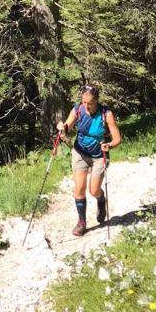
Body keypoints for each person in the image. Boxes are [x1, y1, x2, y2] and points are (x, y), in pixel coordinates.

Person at [57, 83, 121, 237]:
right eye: (84, 102)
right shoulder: (78, 109)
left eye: (90, 103)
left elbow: (117, 139)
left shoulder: (106, 114)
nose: (86, 106)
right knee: (79, 188)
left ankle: (101, 200)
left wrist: (109, 145)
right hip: (80, 152)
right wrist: (62, 127)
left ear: (97, 100)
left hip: (99, 155)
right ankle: (82, 222)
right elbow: (68, 125)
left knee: (94, 190)